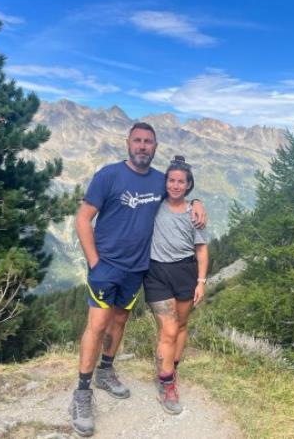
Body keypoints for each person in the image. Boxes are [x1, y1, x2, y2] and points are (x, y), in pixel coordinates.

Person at [69, 123, 205, 437]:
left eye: (148, 142)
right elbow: (83, 218)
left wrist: (198, 204)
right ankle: (82, 392)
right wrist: (94, 262)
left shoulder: (160, 180)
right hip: (106, 267)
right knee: (98, 324)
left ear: (155, 147)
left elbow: (179, 195)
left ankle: (105, 370)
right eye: (138, 141)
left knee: (119, 321)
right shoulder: (109, 175)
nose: (143, 146)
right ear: (128, 143)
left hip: (136, 270)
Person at [143, 155, 209, 415]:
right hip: (156, 272)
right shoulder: (155, 203)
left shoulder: (195, 215)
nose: (175, 185)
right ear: (165, 182)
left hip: (185, 271)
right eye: (171, 180)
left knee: (181, 325)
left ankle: (172, 366)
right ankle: (166, 382)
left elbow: (202, 250)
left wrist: (201, 282)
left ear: (189, 185)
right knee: (168, 330)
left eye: (181, 181)